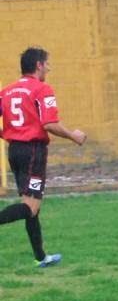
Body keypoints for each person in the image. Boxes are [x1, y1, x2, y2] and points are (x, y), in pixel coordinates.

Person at [0, 47, 86, 267]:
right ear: (38, 65)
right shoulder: (42, 89)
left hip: (15, 151)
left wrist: (6, 133)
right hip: (33, 153)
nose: (49, 68)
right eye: (47, 63)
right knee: (31, 207)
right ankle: (41, 257)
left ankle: (41, 257)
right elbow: (49, 124)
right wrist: (73, 136)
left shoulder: (6, 91)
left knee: (31, 206)